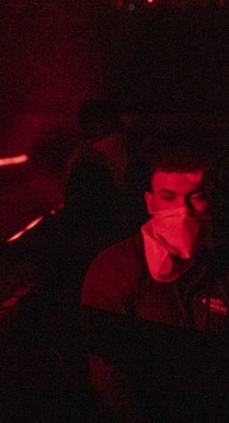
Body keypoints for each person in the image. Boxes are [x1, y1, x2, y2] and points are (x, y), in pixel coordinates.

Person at [81, 141, 229, 420]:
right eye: (168, 196)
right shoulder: (114, 269)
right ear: (150, 202)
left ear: (210, 199)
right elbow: (107, 374)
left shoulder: (219, 265)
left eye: (194, 197)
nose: (182, 211)